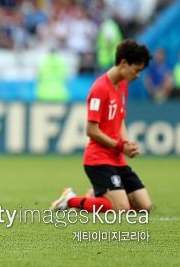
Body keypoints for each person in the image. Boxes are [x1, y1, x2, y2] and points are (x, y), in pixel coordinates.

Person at [49, 40, 152, 213]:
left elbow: (120, 120)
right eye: (136, 70)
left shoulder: (123, 86)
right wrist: (119, 145)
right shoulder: (99, 88)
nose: (138, 75)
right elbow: (91, 130)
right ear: (124, 63)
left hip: (117, 158)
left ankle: (98, 197)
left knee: (145, 208)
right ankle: (70, 200)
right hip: (98, 159)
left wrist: (125, 144)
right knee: (121, 209)